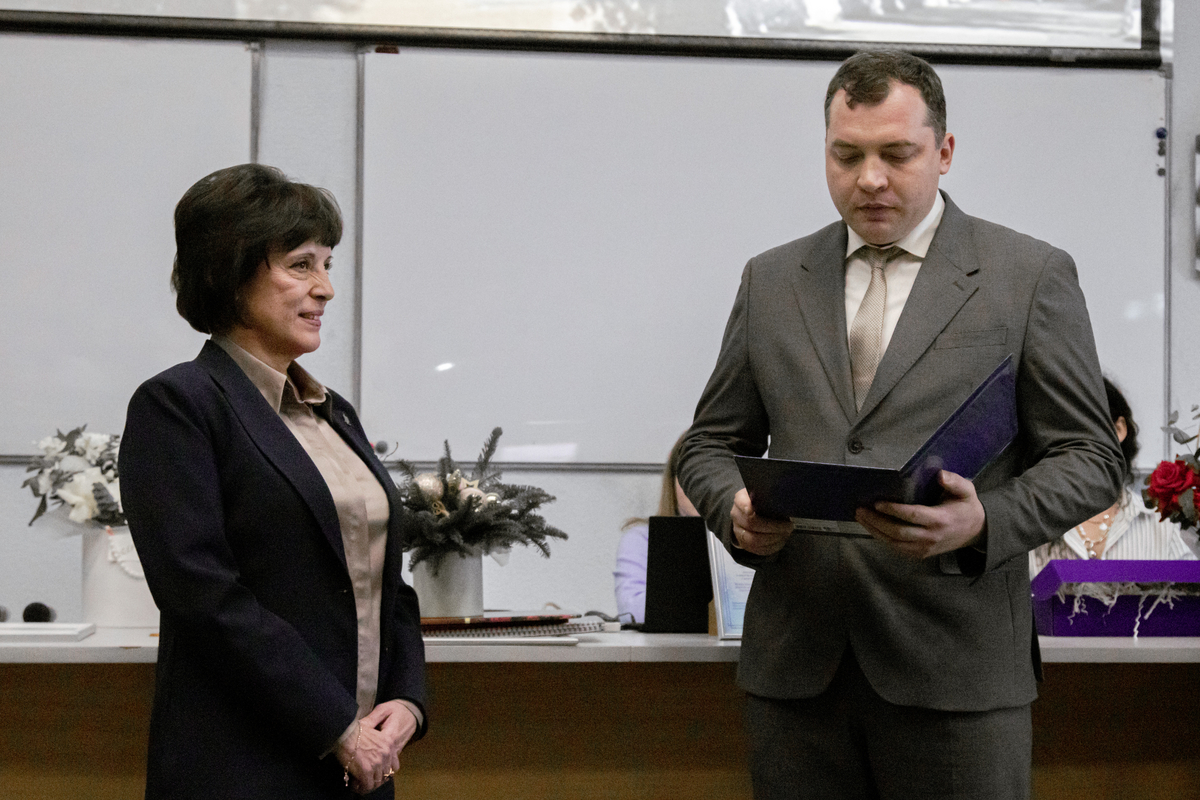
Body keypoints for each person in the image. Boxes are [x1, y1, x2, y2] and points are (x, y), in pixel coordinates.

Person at [676, 50, 1124, 799]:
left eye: (896, 154)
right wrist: (734, 508)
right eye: (846, 155)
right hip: (797, 675)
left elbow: (1090, 456)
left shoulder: (1027, 276)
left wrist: (983, 522)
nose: (870, 179)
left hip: (957, 673)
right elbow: (710, 444)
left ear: (944, 152)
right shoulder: (772, 279)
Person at [119, 164, 427, 799]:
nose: (326, 289)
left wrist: (406, 700)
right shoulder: (179, 405)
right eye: (301, 265)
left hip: (363, 765)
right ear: (231, 272)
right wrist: (336, 725)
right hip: (241, 767)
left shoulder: (335, 413)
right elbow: (203, 597)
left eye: (328, 265)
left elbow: (383, 580)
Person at [1030, 378, 1199, 576]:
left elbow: (1189, 592)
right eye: (1061, 428)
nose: (1071, 441)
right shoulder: (1032, 531)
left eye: (1085, 423)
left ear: (1119, 429)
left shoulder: (1160, 529)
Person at [613, 434, 701, 622]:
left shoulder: (756, 539)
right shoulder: (642, 538)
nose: (702, 488)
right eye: (690, 475)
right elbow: (631, 611)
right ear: (672, 481)